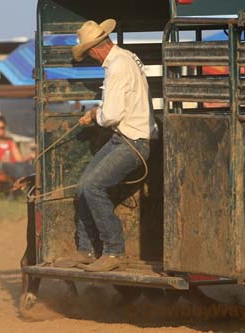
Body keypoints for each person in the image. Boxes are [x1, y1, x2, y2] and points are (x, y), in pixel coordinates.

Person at [55, 19, 158, 272]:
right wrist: (97, 113)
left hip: (132, 140)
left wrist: (95, 115)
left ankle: (113, 251)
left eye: (89, 53)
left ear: (94, 49)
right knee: (84, 187)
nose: (91, 57)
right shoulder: (125, 58)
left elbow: (111, 115)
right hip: (129, 137)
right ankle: (87, 249)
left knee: (91, 186)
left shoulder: (117, 67)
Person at [0, 115, 34, 181]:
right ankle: (22, 185)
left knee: (30, 168)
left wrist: (29, 156)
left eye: (1, 128)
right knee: (18, 169)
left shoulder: (10, 141)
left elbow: (19, 159)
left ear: (5, 128)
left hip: (13, 165)